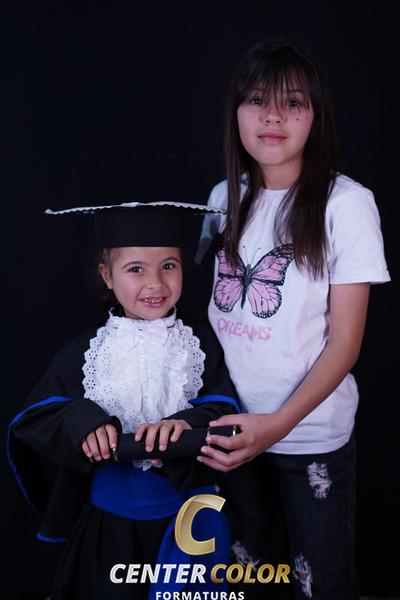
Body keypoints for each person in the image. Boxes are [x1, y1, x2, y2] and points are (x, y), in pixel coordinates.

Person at [196, 39, 390, 599]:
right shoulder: (223, 197)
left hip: (307, 436)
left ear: (316, 115)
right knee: (248, 574)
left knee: (318, 583)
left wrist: (277, 425)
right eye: (258, 100)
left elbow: (345, 343)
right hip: (233, 431)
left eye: (293, 103)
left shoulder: (344, 204)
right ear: (236, 111)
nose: (273, 116)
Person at [7, 201, 240, 600]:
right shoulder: (86, 353)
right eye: (135, 269)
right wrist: (84, 421)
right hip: (109, 530)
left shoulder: (200, 346)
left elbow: (225, 409)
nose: (156, 283)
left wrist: (186, 423)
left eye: (169, 265)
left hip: (187, 524)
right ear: (107, 276)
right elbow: (38, 418)